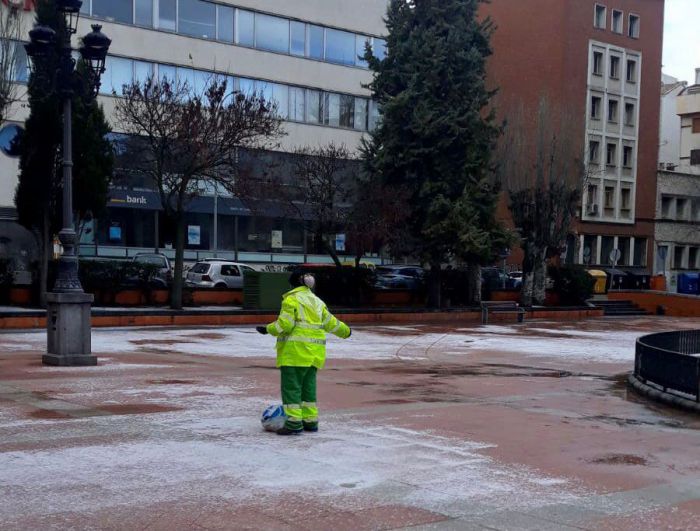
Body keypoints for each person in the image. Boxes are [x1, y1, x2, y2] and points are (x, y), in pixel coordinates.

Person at [256, 271, 351, 435]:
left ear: (292, 284)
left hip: (294, 354)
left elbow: (284, 325)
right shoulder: (317, 302)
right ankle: (310, 421)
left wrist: (267, 329)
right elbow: (331, 323)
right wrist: (346, 331)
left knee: (291, 390)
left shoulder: (291, 299)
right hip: (314, 355)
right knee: (308, 390)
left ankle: (293, 424)